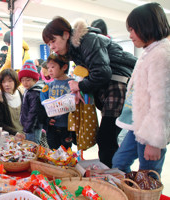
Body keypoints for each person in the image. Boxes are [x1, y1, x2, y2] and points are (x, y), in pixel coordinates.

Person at [42, 16, 137, 168]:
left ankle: (114, 178)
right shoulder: (76, 49)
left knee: (106, 138)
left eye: (53, 41)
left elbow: (102, 72)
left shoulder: (87, 41)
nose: (51, 46)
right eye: (48, 43)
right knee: (107, 138)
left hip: (117, 84)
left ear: (66, 34)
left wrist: (80, 86)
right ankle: (115, 176)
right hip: (109, 87)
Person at [112, 3, 170, 175]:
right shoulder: (149, 54)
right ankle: (131, 190)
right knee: (119, 162)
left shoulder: (161, 56)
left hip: (151, 129)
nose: (130, 35)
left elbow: (162, 103)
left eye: (133, 29)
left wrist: (154, 141)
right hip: (138, 125)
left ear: (147, 26)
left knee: (148, 173)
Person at [40, 54, 75, 150]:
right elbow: (43, 107)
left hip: (67, 127)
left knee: (66, 153)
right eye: (48, 67)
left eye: (53, 67)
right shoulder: (48, 86)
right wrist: (47, 120)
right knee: (53, 152)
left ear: (64, 67)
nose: (49, 70)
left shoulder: (72, 84)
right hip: (52, 127)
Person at [0, 69, 24, 137]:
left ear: (15, 81)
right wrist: (15, 133)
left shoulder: (22, 93)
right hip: (9, 136)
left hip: (26, 132)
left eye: (10, 81)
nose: (7, 84)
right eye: (3, 82)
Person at [18, 60, 45, 144]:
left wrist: (27, 128)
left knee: (33, 146)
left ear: (35, 80)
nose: (24, 83)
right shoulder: (28, 91)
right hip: (29, 126)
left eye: (28, 80)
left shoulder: (35, 93)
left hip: (32, 128)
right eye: (22, 80)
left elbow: (33, 112)